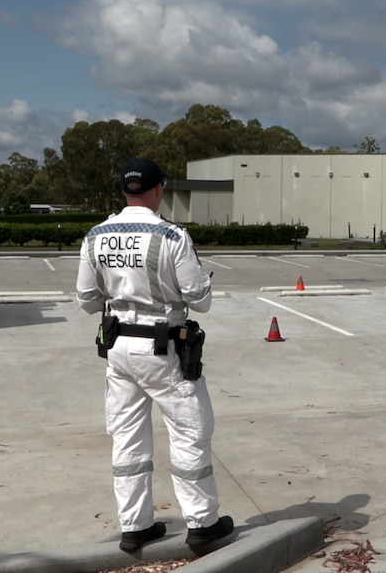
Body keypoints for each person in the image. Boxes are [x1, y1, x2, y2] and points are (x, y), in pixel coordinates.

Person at [76, 158, 233, 552]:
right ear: (159, 189)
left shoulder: (96, 236)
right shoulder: (171, 236)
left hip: (118, 348)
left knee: (127, 438)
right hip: (164, 350)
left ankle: (136, 526)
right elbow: (201, 300)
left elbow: (86, 300)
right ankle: (202, 523)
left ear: (123, 192)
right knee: (189, 432)